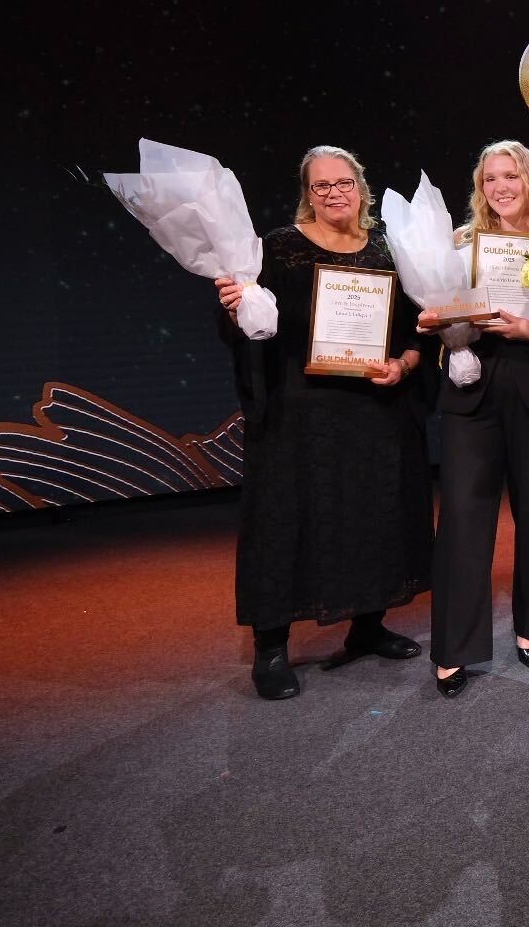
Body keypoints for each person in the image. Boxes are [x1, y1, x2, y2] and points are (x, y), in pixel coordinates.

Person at [215, 147, 431, 700]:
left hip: (373, 411)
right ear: (306, 193)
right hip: (299, 413)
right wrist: (234, 302)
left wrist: (403, 364)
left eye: (344, 182)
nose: (335, 193)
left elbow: (417, 329)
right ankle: (271, 649)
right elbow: (248, 326)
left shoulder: (389, 251)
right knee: (286, 521)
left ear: (361, 186)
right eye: (321, 186)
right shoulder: (275, 248)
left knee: (373, 513)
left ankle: (366, 627)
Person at [423, 141, 529, 698]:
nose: (500, 188)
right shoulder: (460, 245)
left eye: (511, 176)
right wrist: (438, 321)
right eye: (490, 180)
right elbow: (437, 310)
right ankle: (454, 649)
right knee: (461, 520)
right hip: (472, 395)